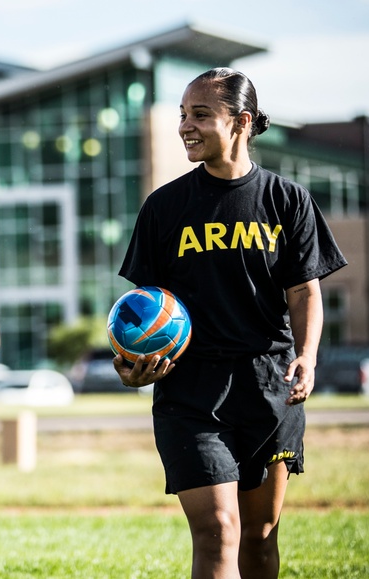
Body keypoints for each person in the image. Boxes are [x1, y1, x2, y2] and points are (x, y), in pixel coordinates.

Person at [115, 67, 347, 579]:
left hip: (269, 385)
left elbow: (305, 291)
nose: (184, 126)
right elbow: (144, 308)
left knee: (260, 539)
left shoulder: (286, 201)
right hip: (190, 391)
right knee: (219, 530)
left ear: (240, 122)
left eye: (200, 115)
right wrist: (133, 362)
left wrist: (306, 357)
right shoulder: (164, 207)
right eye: (181, 115)